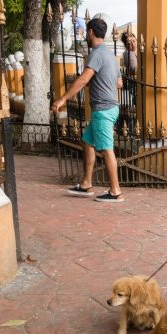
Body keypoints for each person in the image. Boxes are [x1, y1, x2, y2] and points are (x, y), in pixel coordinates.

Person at [51, 18, 124, 203]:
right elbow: (119, 83)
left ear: (91, 32)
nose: (85, 36)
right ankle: (86, 184)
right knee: (88, 142)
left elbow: (83, 79)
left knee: (107, 150)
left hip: (103, 109)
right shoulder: (111, 56)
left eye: (86, 32)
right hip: (112, 107)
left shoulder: (96, 54)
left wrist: (62, 99)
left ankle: (115, 191)